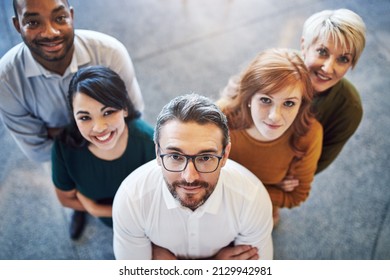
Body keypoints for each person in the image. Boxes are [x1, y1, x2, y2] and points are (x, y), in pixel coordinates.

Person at [0, 0, 144, 239]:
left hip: (115, 148)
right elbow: (38, 151)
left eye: (59, 18)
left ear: (72, 15)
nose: (50, 32)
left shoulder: (110, 52)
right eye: (33, 22)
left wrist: (57, 131)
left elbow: (133, 114)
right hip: (70, 163)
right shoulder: (6, 82)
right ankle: (82, 206)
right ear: (17, 25)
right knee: (74, 187)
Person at [113, 93, 273, 260]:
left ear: (225, 155)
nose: (189, 177)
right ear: (158, 153)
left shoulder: (252, 198)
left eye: (205, 158)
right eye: (175, 157)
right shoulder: (131, 198)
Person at [217, 48, 323, 224]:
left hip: (260, 210)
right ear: (249, 97)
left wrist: (236, 189)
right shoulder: (221, 117)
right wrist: (266, 188)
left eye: (289, 103)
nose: (275, 116)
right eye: (266, 100)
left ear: (301, 104)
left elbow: (296, 195)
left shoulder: (309, 135)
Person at [52, 66, 155, 228]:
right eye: (85, 117)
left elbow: (162, 203)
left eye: (108, 112)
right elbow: (65, 199)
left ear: (125, 109)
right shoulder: (64, 148)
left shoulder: (150, 143)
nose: (99, 128)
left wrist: (95, 209)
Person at [300, 9, 366, 174]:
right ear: (304, 46)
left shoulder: (349, 109)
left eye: (343, 59)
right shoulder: (274, 69)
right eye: (322, 52)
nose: (328, 69)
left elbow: (316, 164)